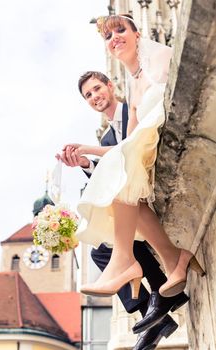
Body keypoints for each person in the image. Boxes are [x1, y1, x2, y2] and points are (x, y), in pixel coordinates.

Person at [59, 14, 205, 348]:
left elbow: (125, 144)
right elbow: (123, 145)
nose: (95, 96)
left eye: (97, 88)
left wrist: (90, 150)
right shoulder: (129, 85)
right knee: (104, 236)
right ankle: (154, 288)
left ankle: (140, 277)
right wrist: (85, 161)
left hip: (150, 145)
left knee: (118, 196)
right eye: (88, 95)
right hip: (135, 157)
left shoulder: (147, 72)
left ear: (110, 86)